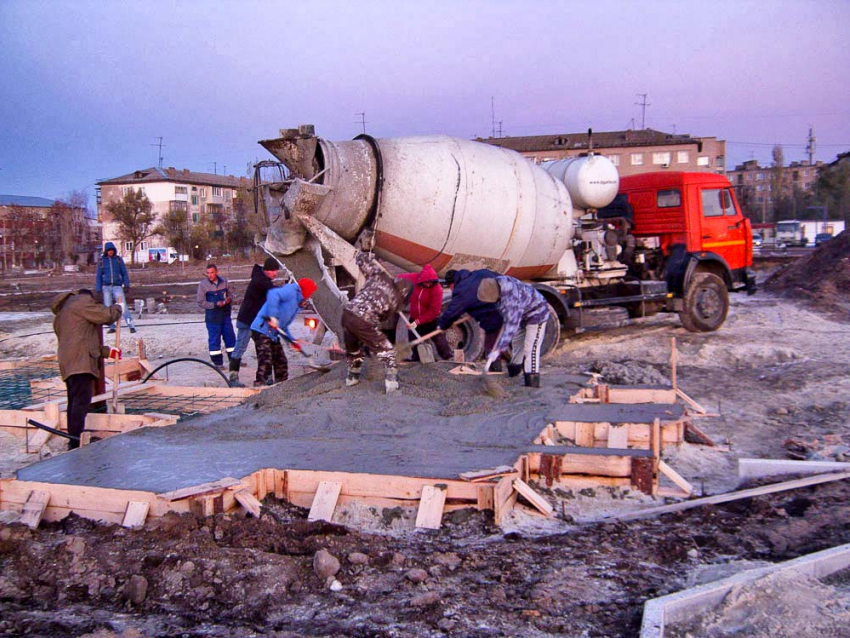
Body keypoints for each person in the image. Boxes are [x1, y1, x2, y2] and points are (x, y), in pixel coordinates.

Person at [51, 289, 122, 450]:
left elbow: (82, 338)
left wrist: (107, 352)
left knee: (74, 402)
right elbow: (106, 315)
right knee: (81, 402)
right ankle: (76, 442)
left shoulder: (64, 312)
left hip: (68, 362)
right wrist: (118, 307)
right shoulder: (81, 303)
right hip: (80, 362)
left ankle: (73, 439)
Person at [342, 252, 413, 394]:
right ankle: (392, 384)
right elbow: (380, 319)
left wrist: (361, 256)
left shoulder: (379, 276)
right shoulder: (396, 301)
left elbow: (363, 261)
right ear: (405, 294)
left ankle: (352, 378)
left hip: (347, 314)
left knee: (354, 349)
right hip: (364, 320)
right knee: (387, 351)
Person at [481, 275, 549, 388]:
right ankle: (514, 374)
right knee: (517, 344)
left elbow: (511, 327)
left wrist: (498, 350)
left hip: (537, 313)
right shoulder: (495, 284)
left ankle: (532, 383)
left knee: (530, 349)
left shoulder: (511, 298)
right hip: (522, 314)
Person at [250, 278, 317, 387]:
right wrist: (273, 316)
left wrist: (292, 340)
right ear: (305, 290)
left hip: (273, 334)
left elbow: (283, 327)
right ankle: (260, 386)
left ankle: (281, 388)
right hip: (261, 328)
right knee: (265, 360)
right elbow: (273, 294)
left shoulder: (297, 304)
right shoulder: (291, 291)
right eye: (310, 293)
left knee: (281, 362)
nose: (310, 296)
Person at [437, 269, 505, 371]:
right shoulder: (479, 274)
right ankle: (495, 366)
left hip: (497, 308)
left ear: (452, 284)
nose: (451, 290)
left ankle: (495, 368)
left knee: (491, 339)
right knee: (493, 338)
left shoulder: (463, 289)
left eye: (450, 287)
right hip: (506, 300)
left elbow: (452, 312)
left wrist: (442, 325)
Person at [229, 257, 280, 387]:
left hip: (258, 323)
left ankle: (264, 377)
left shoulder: (263, 280)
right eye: (273, 271)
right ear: (267, 270)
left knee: (263, 349)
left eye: (277, 271)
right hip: (247, 321)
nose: (275, 273)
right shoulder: (260, 280)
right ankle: (233, 378)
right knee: (240, 348)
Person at [396, 264, 452, 360]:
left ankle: (448, 359)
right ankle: (417, 361)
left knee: (440, 341)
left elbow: (434, 311)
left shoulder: (437, 289)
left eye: (431, 282)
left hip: (431, 320)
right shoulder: (414, 279)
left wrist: (418, 321)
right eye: (427, 282)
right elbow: (399, 278)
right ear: (422, 280)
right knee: (414, 342)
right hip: (415, 318)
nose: (429, 284)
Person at [196, 264, 235, 368]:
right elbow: (200, 302)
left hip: (225, 317)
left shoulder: (224, 282)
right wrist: (214, 305)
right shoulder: (203, 285)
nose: (210, 275)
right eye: (208, 273)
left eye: (212, 272)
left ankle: (234, 361)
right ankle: (218, 364)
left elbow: (230, 295)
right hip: (212, 319)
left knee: (230, 339)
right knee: (214, 341)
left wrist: (228, 299)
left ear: (217, 272)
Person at [95, 242, 137, 334]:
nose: (111, 252)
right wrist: (98, 288)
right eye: (109, 251)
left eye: (112, 251)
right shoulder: (101, 261)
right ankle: (112, 326)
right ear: (106, 251)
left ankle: (131, 325)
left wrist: (126, 285)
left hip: (117, 286)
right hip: (106, 287)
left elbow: (124, 273)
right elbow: (98, 276)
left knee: (123, 306)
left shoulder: (118, 260)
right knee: (108, 307)